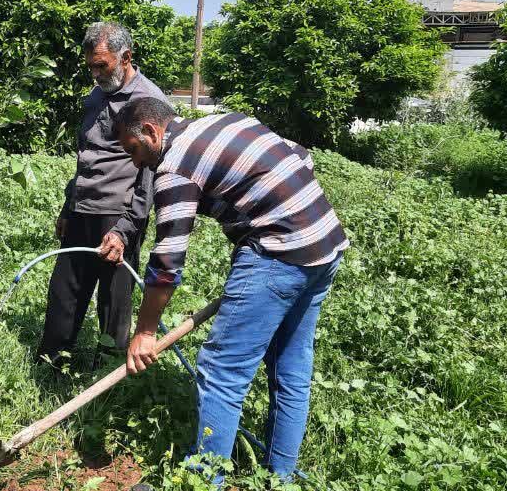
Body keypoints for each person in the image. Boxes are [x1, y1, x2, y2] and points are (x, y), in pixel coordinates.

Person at [113, 97, 349, 487]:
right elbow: (299, 156)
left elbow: (167, 262)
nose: (136, 163)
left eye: (134, 150)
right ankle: (278, 478)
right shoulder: (228, 122)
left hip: (277, 257)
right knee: (291, 369)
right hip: (324, 246)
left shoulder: (174, 168)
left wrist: (145, 332)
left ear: (152, 133)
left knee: (222, 373)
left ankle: (205, 481)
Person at [36, 21, 168, 369]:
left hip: (119, 214)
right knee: (65, 292)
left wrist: (126, 229)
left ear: (126, 58)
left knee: (115, 303)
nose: (95, 74)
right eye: (91, 66)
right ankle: (52, 365)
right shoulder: (97, 96)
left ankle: (109, 376)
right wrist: (68, 206)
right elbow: (86, 156)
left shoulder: (149, 102)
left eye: (102, 65)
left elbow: (150, 174)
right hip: (83, 208)